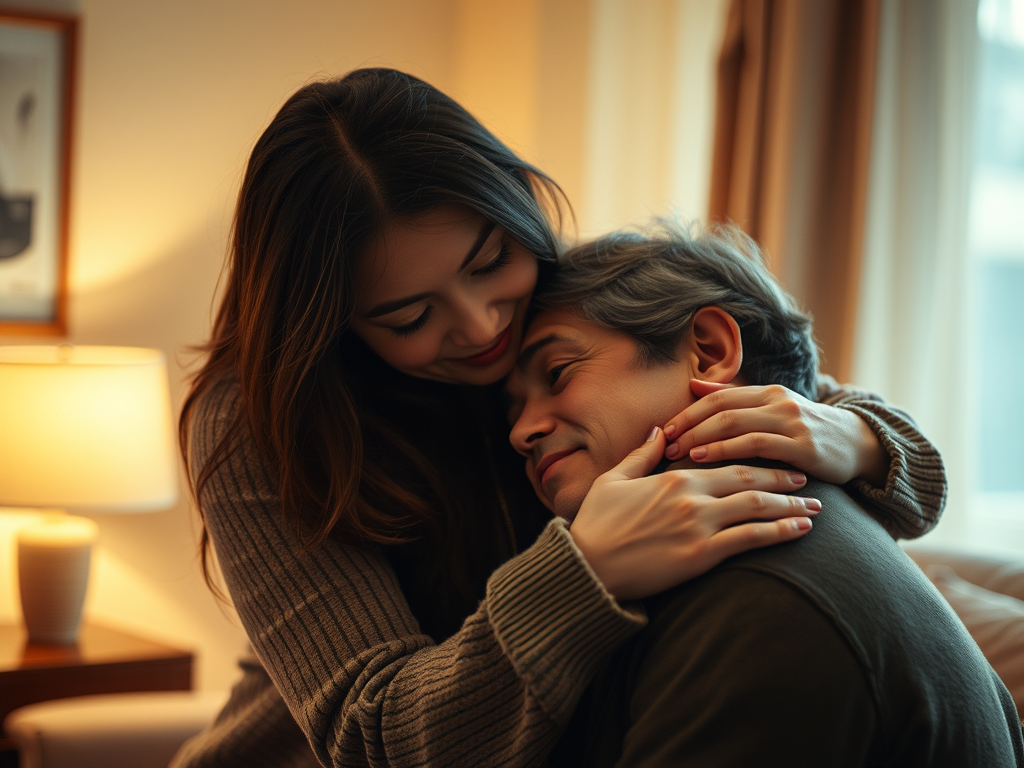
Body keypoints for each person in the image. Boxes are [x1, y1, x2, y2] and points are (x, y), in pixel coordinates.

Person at [173, 69, 948, 768]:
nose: (480, 328)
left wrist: (862, 438)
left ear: (514, 209)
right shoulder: (260, 414)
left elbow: (773, 374)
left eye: (487, 263)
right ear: (337, 329)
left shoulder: (550, 299)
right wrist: (585, 571)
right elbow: (372, 739)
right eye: (410, 316)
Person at [507, 222, 1023, 768]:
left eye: (558, 373)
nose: (521, 432)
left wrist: (868, 441)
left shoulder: (759, 601)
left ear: (708, 352)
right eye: (511, 412)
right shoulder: (705, 569)